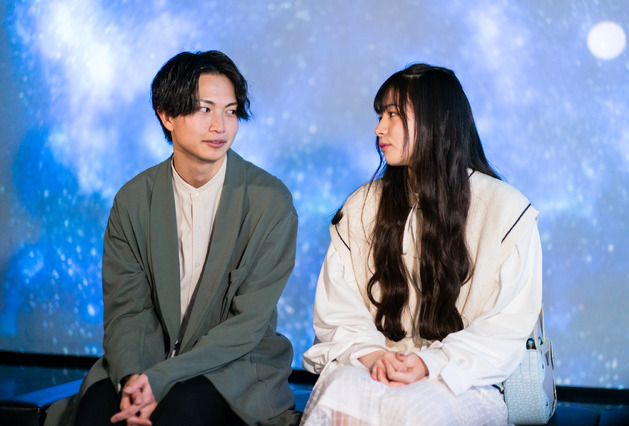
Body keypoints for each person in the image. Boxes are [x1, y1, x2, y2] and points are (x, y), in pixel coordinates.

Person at [45, 51, 300, 426]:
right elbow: (127, 311)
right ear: (167, 115)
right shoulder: (133, 199)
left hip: (234, 365)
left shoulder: (269, 200)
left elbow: (247, 324)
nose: (220, 126)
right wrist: (133, 379)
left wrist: (162, 378)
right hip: (146, 359)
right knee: (97, 411)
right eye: (204, 109)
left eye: (230, 111)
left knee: (183, 408)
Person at [301, 64, 542, 425]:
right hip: (373, 366)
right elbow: (339, 310)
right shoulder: (362, 205)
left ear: (436, 121)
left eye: (393, 115)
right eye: (380, 115)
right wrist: (376, 357)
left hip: (459, 380)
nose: (379, 129)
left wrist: (427, 364)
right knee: (342, 390)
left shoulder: (505, 210)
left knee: (414, 409)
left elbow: (504, 327)